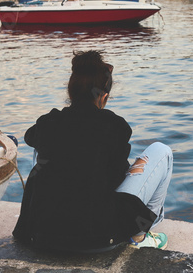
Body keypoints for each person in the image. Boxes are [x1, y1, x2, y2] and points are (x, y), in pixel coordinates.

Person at [12, 50, 173, 252]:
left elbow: (30, 137)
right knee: (162, 151)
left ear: (70, 92)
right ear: (103, 96)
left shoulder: (48, 122)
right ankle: (139, 236)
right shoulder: (115, 126)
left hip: (41, 235)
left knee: (43, 149)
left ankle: (53, 212)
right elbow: (115, 178)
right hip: (99, 237)